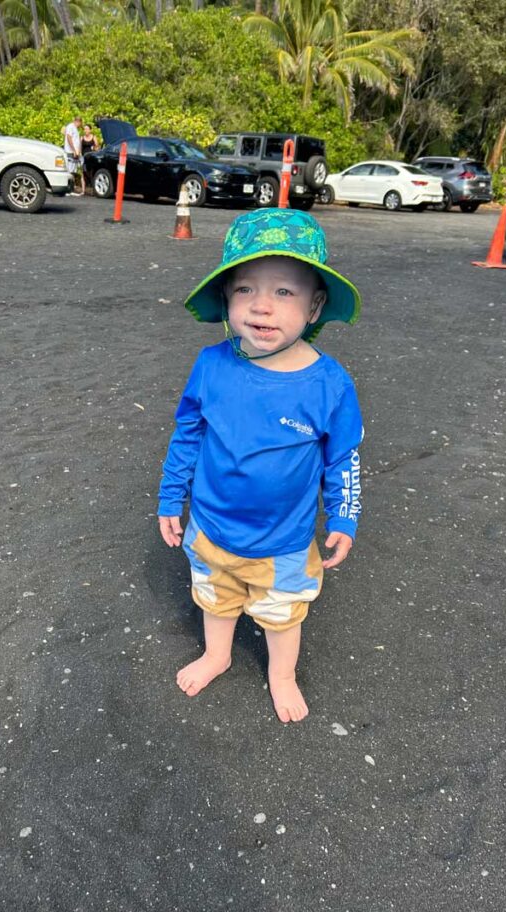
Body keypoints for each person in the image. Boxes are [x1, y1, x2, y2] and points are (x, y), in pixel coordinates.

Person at [158, 208, 363, 723]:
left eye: (284, 292)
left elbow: (343, 457)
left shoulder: (329, 385)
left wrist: (343, 516)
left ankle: (282, 674)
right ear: (226, 298)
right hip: (210, 526)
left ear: (315, 307)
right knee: (215, 598)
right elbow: (188, 434)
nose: (262, 308)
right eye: (245, 289)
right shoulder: (211, 365)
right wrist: (170, 495)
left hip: (284, 541)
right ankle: (218, 654)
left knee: (282, 613)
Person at [63, 115, 85, 196]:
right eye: (80, 123)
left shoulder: (75, 129)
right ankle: (67, 189)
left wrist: (78, 151)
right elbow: (69, 138)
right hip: (71, 152)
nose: (80, 125)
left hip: (75, 152)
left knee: (73, 171)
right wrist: (74, 150)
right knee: (70, 170)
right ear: (78, 121)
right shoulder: (71, 127)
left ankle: (70, 188)